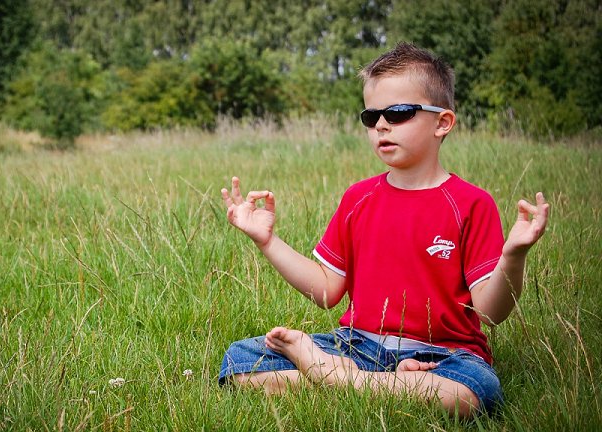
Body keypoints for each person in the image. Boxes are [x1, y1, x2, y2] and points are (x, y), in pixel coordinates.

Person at [217, 42, 550, 417]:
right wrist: (267, 241)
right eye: (371, 115)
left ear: (443, 122)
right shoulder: (358, 198)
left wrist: (513, 256)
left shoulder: (471, 203)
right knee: (241, 361)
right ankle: (365, 381)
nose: (381, 125)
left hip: (444, 356)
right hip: (357, 346)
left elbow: (490, 313)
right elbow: (328, 290)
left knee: (473, 393)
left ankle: (331, 377)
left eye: (399, 112)